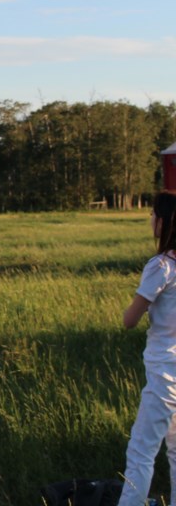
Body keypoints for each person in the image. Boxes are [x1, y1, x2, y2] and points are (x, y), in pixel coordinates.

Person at [117, 190, 176, 506]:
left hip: (164, 374)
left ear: (165, 221)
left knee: (140, 449)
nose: (150, 218)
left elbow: (130, 319)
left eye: (154, 213)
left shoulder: (161, 265)